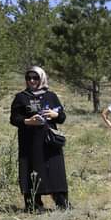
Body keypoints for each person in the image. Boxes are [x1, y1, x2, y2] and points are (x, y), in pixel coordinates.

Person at [9, 66, 69, 210]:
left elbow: (62, 117)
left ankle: (62, 203)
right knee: (31, 170)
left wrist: (55, 115)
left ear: (41, 78)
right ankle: (33, 205)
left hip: (49, 141)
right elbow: (14, 118)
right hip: (29, 141)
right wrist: (28, 121)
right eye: (28, 78)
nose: (31, 81)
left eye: (35, 78)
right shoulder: (21, 97)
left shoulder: (51, 96)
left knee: (55, 170)